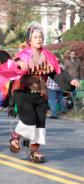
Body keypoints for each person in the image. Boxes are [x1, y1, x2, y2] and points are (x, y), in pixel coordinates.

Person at [8, 24, 80, 163]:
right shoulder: (23, 54)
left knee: (40, 124)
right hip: (23, 93)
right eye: (35, 37)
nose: (39, 39)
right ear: (29, 39)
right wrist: (19, 65)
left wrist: (71, 81)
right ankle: (15, 135)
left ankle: (34, 150)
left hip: (41, 94)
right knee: (30, 120)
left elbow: (57, 73)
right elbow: (13, 64)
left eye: (41, 37)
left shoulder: (48, 56)